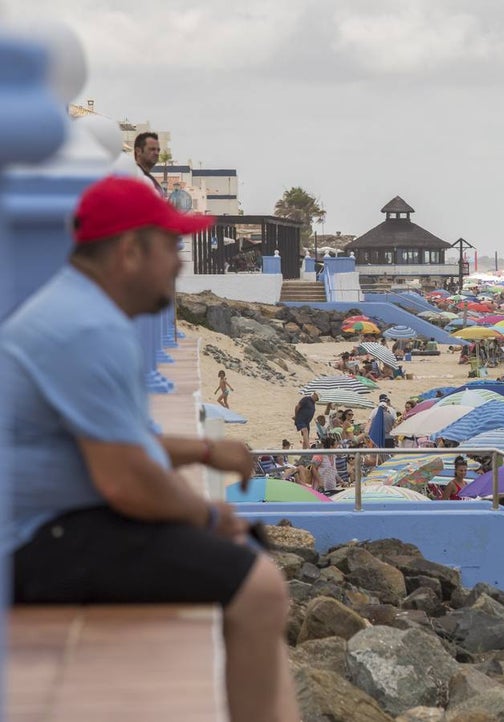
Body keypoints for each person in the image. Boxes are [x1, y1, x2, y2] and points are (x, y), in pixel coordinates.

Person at [0, 175, 298, 720]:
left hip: (46, 521)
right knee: (259, 589)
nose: (179, 265)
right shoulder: (89, 328)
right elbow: (128, 482)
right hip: (32, 540)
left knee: (249, 556)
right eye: (171, 247)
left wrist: (207, 454)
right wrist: (209, 517)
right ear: (130, 251)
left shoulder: (77, 308)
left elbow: (119, 441)